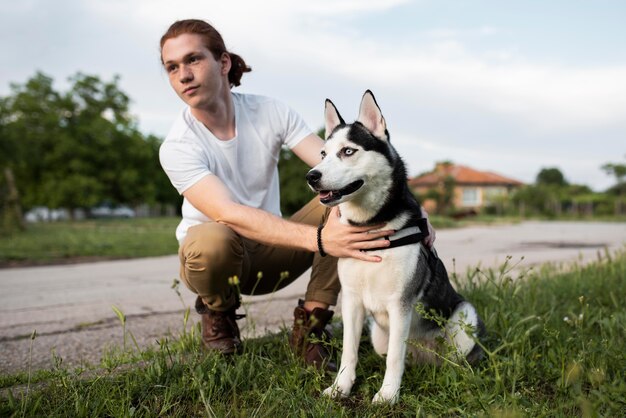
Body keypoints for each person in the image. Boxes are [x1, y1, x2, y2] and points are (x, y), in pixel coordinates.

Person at [158, 19, 435, 370]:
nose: (183, 75)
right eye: (172, 67)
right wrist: (322, 239)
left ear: (223, 63)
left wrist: (411, 208)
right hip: (221, 259)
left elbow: (344, 168)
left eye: (193, 60)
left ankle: (312, 326)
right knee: (211, 240)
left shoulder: (270, 111)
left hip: (276, 252)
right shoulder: (178, 145)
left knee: (345, 200)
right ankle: (218, 312)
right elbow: (227, 211)